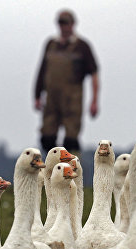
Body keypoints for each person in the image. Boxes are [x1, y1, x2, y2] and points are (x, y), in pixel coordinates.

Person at [34, 9, 99, 155]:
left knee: (71, 141)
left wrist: (94, 101)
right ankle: (52, 170)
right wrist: (37, 95)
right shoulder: (51, 44)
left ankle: (73, 173)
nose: (63, 27)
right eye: (61, 23)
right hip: (52, 99)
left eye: (66, 23)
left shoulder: (82, 46)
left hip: (72, 99)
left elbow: (94, 74)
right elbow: (42, 71)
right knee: (47, 138)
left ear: (73, 24)